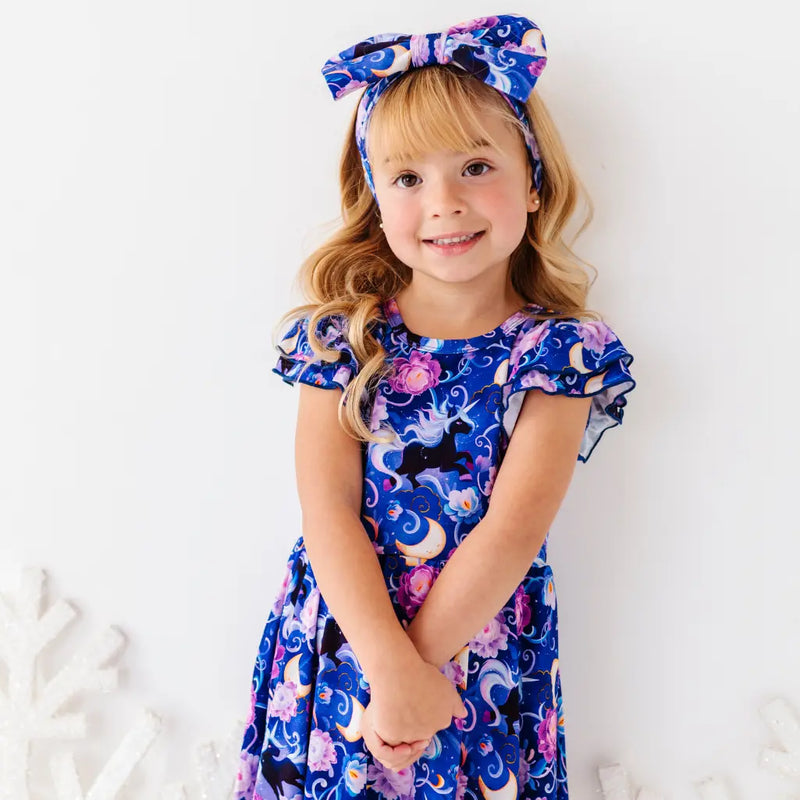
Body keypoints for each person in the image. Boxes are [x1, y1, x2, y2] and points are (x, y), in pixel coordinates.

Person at [234, 13, 636, 800]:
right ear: (375, 199)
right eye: (409, 179)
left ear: (532, 179)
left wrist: (417, 678)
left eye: (476, 166)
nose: (445, 202)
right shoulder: (339, 338)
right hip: (347, 638)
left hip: (476, 650)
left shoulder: (559, 353)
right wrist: (386, 668)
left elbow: (514, 528)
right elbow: (328, 511)